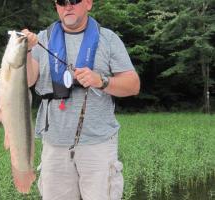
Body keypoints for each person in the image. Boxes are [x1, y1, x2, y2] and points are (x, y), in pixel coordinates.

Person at [22, 0, 140, 199]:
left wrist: (100, 80)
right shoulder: (42, 39)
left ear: (88, 3)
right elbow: (27, 80)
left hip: (98, 145)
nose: (67, 6)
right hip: (54, 145)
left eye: (74, 1)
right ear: (56, 6)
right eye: (61, 2)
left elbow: (133, 85)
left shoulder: (108, 38)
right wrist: (24, 50)